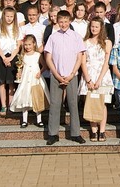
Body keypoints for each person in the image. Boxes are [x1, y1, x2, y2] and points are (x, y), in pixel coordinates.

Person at [44, 10, 87, 145]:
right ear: (57, 21)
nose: (63, 24)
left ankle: (75, 133)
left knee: (73, 104)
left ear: (70, 21)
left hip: (71, 75)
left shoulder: (76, 37)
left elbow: (79, 57)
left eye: (66, 21)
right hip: (56, 75)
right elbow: (48, 58)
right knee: (55, 104)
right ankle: (53, 134)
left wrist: (72, 74)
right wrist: (56, 74)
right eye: (61, 22)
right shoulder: (53, 37)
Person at [79, 17, 114, 141]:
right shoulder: (84, 42)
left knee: (102, 104)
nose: (94, 29)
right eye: (92, 26)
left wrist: (99, 80)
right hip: (89, 74)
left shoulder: (107, 42)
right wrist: (88, 80)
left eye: (96, 27)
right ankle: (94, 131)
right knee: (91, 102)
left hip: (102, 75)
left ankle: (102, 131)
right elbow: (83, 62)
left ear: (101, 28)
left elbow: (106, 62)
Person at [9, 34, 49, 128]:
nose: (27, 47)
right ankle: (24, 120)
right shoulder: (23, 55)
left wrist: (40, 72)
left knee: (36, 97)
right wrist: (19, 73)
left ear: (34, 44)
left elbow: (44, 66)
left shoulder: (38, 55)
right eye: (26, 45)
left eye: (29, 44)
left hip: (35, 78)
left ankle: (39, 119)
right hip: (26, 78)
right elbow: (20, 67)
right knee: (25, 97)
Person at [0, 7, 23, 116]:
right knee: (2, 82)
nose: (9, 18)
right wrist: (4, 58)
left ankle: (11, 105)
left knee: (11, 82)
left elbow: (18, 45)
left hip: (12, 56)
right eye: (7, 16)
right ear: (3, 16)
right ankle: (3, 106)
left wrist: (11, 58)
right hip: (2, 56)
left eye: (11, 16)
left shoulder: (17, 29)